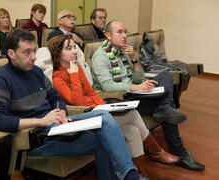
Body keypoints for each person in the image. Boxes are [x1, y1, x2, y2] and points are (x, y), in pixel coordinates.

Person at [0, 29, 140, 180]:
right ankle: (131, 177)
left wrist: (62, 113)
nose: (34, 57)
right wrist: (41, 121)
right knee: (103, 122)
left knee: (104, 129)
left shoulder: (35, 72)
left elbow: (55, 98)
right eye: (27, 52)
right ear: (11, 54)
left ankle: (128, 176)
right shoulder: (1, 77)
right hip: (35, 139)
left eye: (34, 51)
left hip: (56, 128)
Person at [48, 34, 179, 179]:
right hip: (84, 118)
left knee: (133, 131)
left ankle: (141, 175)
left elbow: (92, 93)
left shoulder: (77, 68)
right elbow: (76, 102)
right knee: (132, 113)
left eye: (74, 47)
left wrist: (106, 108)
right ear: (58, 53)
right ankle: (155, 151)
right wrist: (73, 75)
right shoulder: (57, 78)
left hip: (99, 112)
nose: (74, 51)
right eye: (69, 48)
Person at [91, 20, 205, 171]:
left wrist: (134, 59)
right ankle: (180, 153)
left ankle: (164, 108)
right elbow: (108, 86)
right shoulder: (101, 57)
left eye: (126, 31)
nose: (125, 35)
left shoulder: (124, 52)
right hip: (121, 101)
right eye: (120, 32)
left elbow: (138, 77)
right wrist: (136, 87)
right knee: (168, 109)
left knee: (166, 76)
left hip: (134, 94)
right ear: (108, 35)